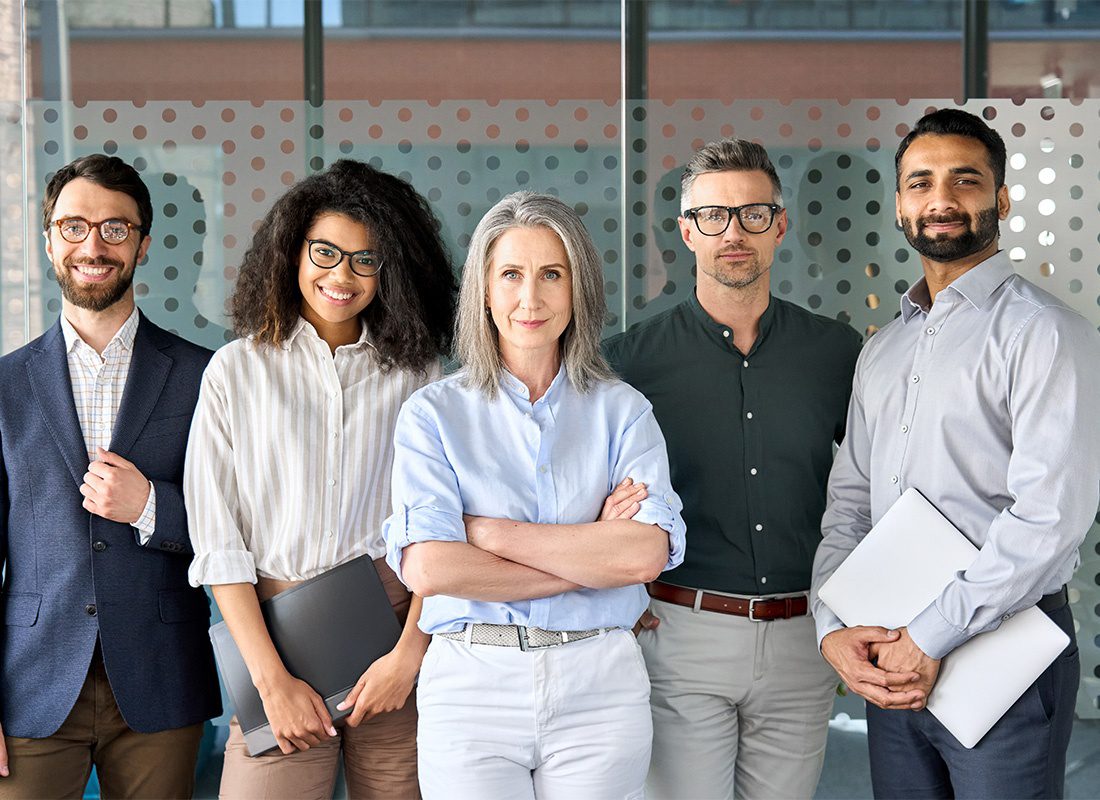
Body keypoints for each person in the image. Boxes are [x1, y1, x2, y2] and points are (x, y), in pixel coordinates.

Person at [811, 108, 1100, 799]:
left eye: (964, 180)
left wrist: (931, 636)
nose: (940, 200)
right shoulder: (883, 350)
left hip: (1004, 650)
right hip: (892, 656)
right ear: (900, 204)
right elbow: (849, 504)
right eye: (921, 183)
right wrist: (832, 626)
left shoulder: (1047, 336)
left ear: (1000, 200)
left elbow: (1049, 518)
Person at [384, 191, 687, 799]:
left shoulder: (623, 411)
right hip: (472, 682)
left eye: (553, 274)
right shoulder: (432, 414)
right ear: (485, 290)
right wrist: (589, 557)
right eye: (511, 275)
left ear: (578, 289)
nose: (531, 298)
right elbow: (430, 565)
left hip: (598, 682)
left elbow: (642, 557)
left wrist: (489, 535)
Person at [184, 159, 456, 799]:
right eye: (326, 252)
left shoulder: (420, 377)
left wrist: (407, 659)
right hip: (278, 636)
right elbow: (220, 546)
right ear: (291, 250)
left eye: (366, 260)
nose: (343, 276)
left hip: (396, 636)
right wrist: (272, 683)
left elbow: (447, 530)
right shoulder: (234, 372)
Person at [604, 138, 862, 799]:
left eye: (752, 214)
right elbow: (583, 497)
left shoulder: (837, 353)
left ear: (780, 225)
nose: (734, 233)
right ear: (688, 232)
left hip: (804, 639)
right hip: (681, 632)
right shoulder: (629, 362)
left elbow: (873, 488)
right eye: (714, 216)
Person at [0, 154, 221, 798]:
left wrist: (151, 505)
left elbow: (238, 527)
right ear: (48, 242)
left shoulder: (206, 376)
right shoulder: (5, 386)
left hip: (160, 681)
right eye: (73, 227)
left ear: (143, 244)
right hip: (32, 686)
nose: (93, 245)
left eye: (115, 229)